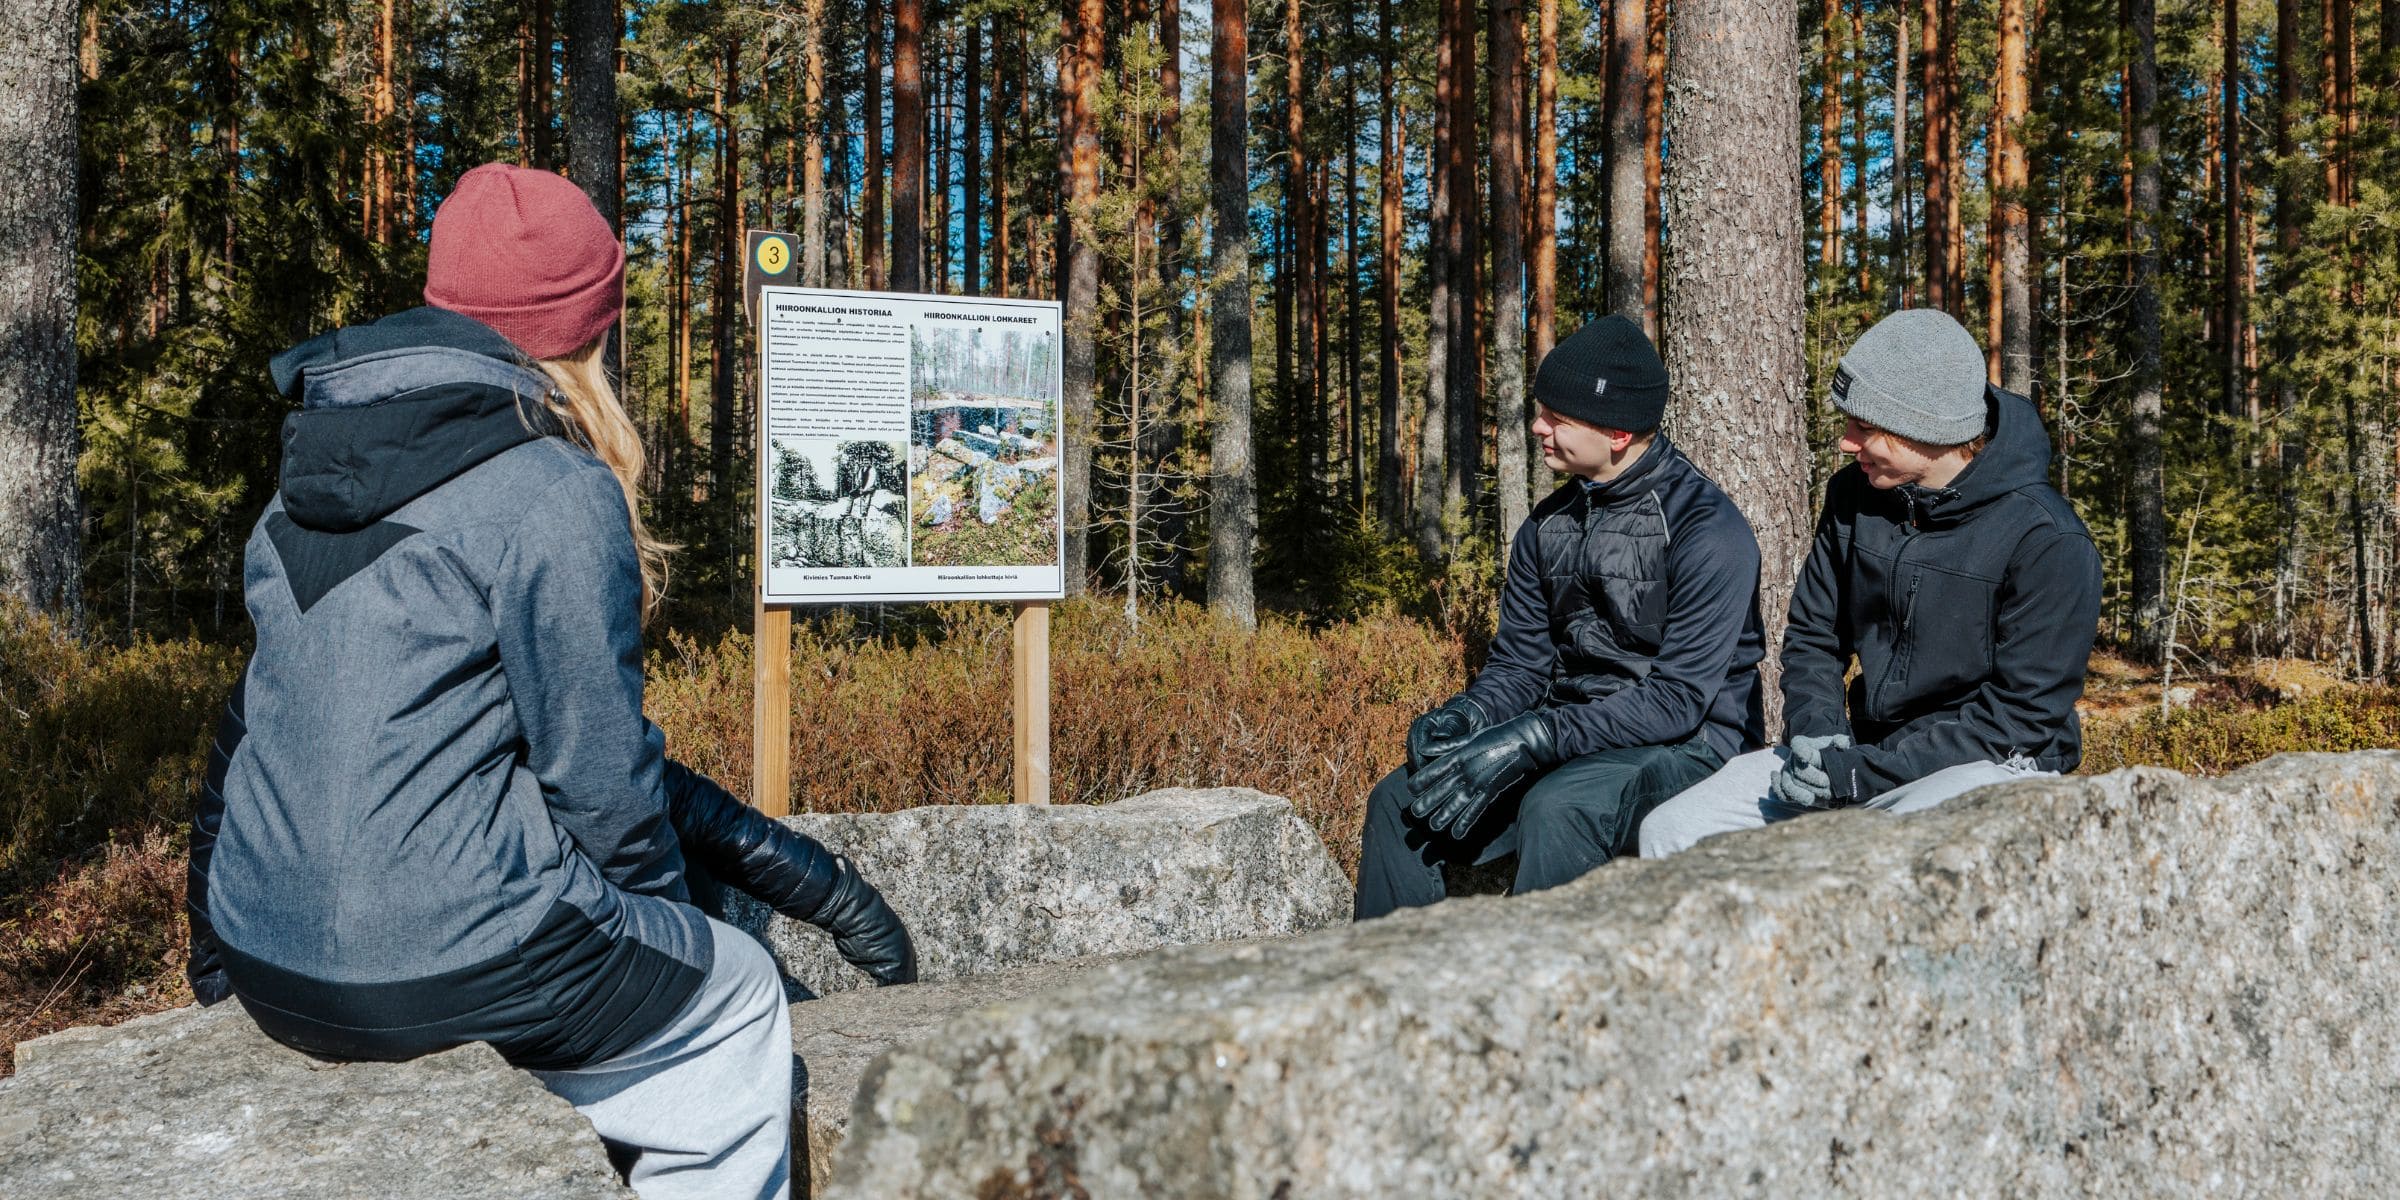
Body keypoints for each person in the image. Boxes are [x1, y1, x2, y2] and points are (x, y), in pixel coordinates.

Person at [183, 163, 913, 1200]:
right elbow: (600, 782)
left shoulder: (306, 478)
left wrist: (216, 959)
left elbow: (246, 738)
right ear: (584, 329)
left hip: (266, 955)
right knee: (745, 994)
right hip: (448, 963)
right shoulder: (552, 488)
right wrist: (667, 942)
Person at [1639, 309, 2102, 857]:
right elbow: (1814, 635)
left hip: (1990, 764)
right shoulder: (1853, 497)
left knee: (1889, 856)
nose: (1845, 442)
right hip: (1861, 749)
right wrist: (1818, 733)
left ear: (1923, 427)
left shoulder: (2047, 539)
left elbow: (2020, 718)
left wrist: (1861, 776)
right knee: (1675, 828)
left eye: (1864, 427)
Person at [1353, 316, 1766, 919]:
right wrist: (1472, 715)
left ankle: (1544, 977)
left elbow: (1678, 700)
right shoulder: (1545, 526)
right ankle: (1385, 971)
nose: (1537, 427)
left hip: (1691, 745)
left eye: (1557, 418)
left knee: (1558, 807)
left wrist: (1536, 739)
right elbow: (1519, 666)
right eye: (1540, 411)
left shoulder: (1709, 531)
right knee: (1401, 800)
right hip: (1570, 733)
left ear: (1618, 433)